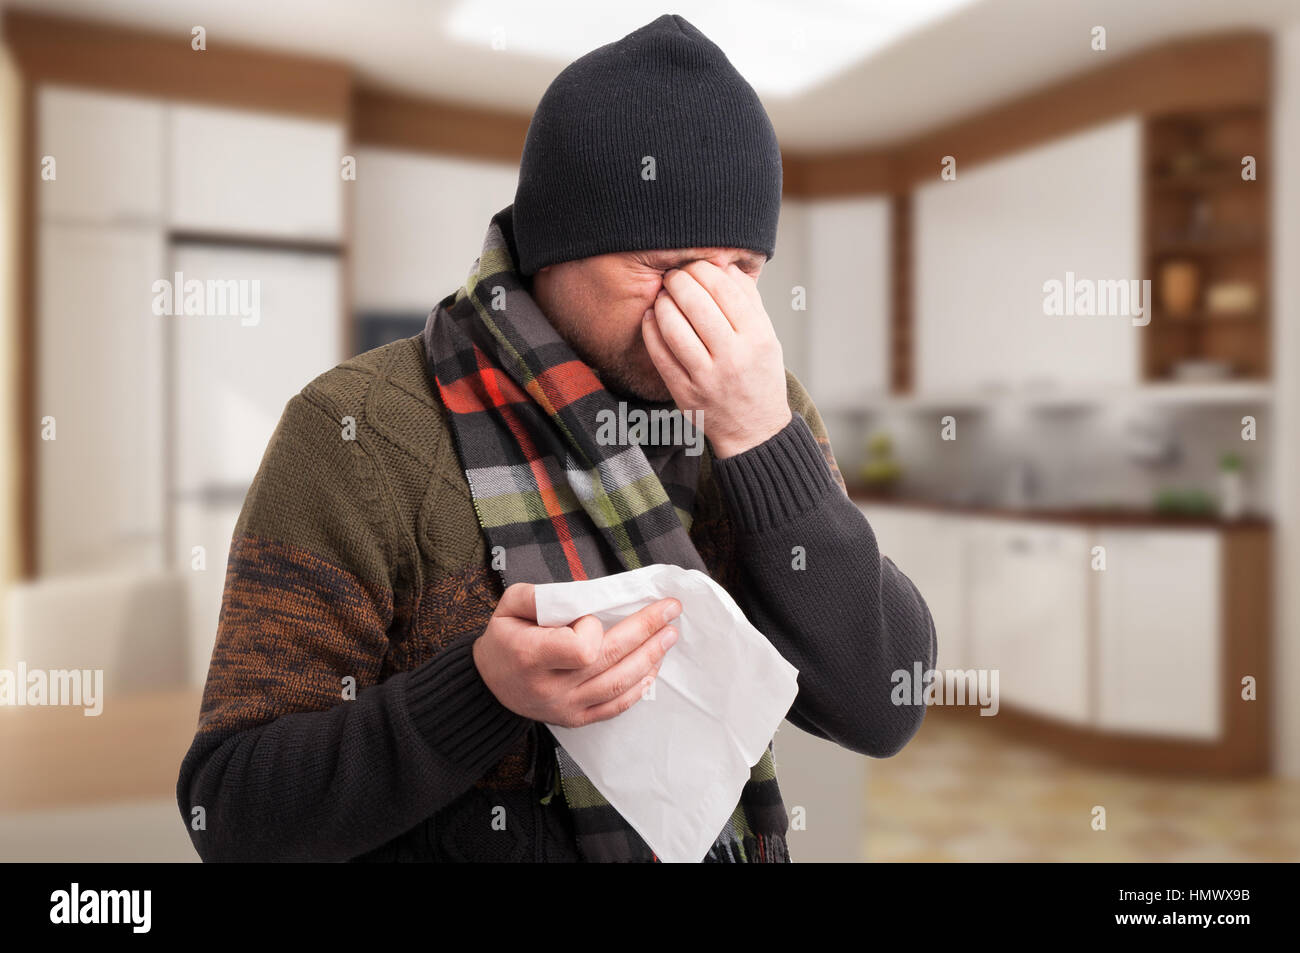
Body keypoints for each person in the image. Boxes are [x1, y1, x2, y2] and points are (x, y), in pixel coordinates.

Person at [176, 13, 936, 863]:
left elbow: (883, 705)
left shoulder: (757, 405)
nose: (707, 308)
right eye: (663, 267)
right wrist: (479, 691)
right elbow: (232, 809)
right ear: (553, 249)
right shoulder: (354, 431)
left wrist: (761, 437)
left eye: (742, 271)